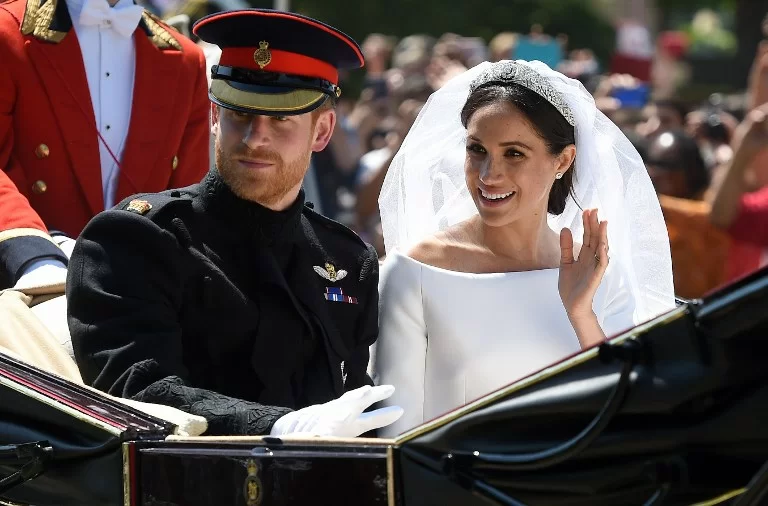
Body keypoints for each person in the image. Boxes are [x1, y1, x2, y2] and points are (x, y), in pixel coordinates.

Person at [66, 9, 402, 437]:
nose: (255, 137)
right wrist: (279, 426)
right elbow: (137, 388)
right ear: (213, 116)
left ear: (322, 131)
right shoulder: (135, 240)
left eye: (280, 119)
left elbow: (359, 407)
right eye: (239, 113)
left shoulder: (347, 259)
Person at [373, 60, 675, 437]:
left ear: (562, 160)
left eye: (514, 153)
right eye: (477, 150)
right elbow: (393, 434)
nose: (488, 174)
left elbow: (627, 415)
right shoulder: (412, 274)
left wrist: (581, 313)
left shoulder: (599, 273)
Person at [0, 0, 210, 289]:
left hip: (136, 299)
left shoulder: (186, 60)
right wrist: (36, 258)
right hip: (24, 289)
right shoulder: (7, 31)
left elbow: (188, 206)